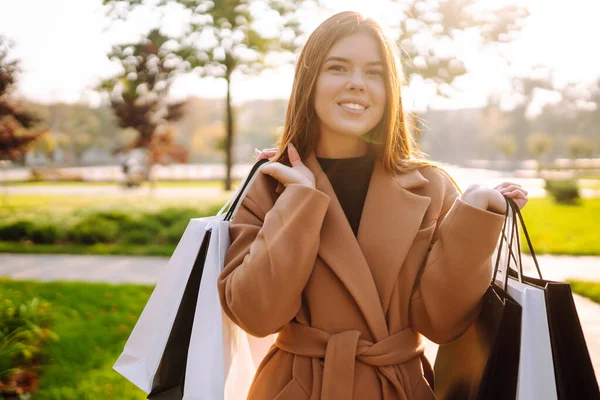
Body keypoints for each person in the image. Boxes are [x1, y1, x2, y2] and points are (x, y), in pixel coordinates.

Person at [218, 11, 528, 400]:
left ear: (391, 89)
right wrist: (299, 200)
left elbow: (441, 324)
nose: (356, 84)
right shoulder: (269, 185)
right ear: (309, 81)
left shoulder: (431, 187)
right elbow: (257, 316)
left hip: (399, 388)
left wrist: (478, 215)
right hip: (293, 388)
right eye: (338, 67)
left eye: (374, 72)